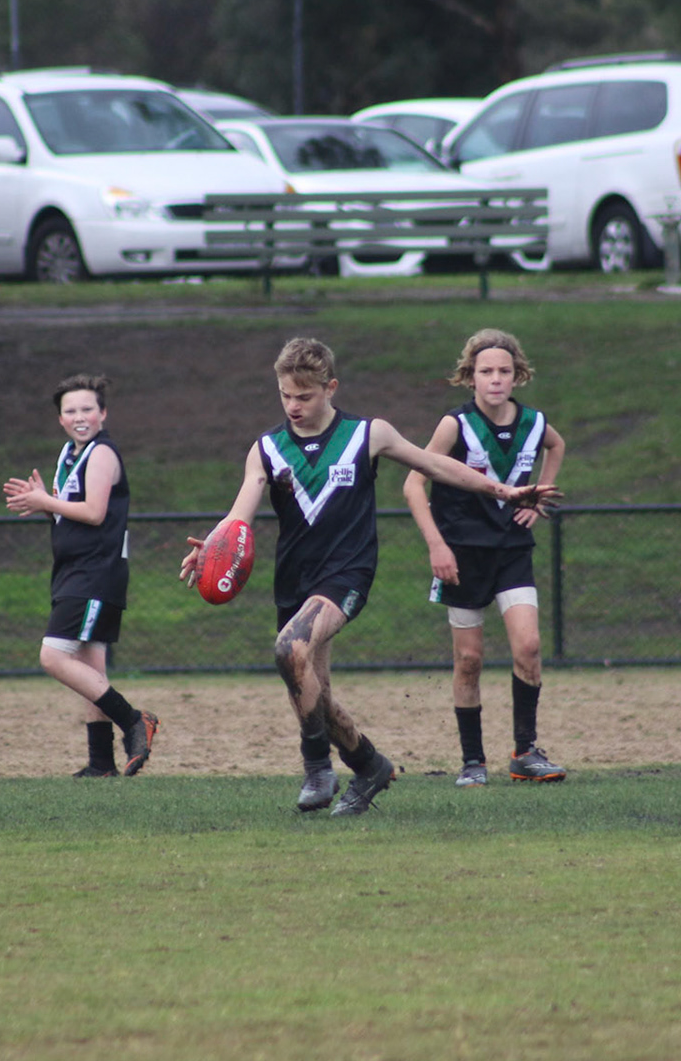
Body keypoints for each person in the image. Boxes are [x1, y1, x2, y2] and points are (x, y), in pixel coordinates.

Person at [181, 338, 558, 816]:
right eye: (285, 395)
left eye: (305, 396)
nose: (293, 406)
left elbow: (435, 464)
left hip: (347, 572)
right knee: (313, 691)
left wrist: (503, 491)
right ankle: (370, 765)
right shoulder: (267, 448)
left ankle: (317, 767)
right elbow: (241, 511)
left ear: (330, 388)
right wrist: (216, 545)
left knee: (288, 648)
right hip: (296, 578)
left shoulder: (367, 434)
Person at [403, 328, 569, 787]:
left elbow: (556, 445)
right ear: (470, 376)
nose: (495, 379)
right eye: (486, 371)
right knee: (469, 659)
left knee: (529, 646)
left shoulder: (534, 422)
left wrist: (538, 497)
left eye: (504, 371)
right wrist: (436, 544)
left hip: (511, 550)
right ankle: (472, 761)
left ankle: (525, 752)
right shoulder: (454, 425)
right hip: (462, 554)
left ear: (518, 375)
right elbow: (413, 483)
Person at [4, 374, 159, 777]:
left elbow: (94, 512)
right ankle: (101, 763)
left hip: (95, 572)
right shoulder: (70, 454)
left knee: (54, 656)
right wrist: (46, 505)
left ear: (103, 413)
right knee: (91, 668)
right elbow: (69, 512)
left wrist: (47, 500)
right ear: (60, 419)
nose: (79, 416)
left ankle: (133, 720)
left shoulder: (102, 453)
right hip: (75, 569)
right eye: (70, 410)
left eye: (87, 408)